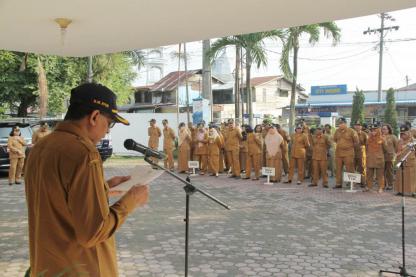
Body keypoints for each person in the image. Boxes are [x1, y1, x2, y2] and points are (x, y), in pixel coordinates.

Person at [24, 83, 149, 276]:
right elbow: (93, 232)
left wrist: (103, 189)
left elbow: (57, 198)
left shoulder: (41, 147)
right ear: (94, 117)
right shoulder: (84, 152)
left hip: (47, 264)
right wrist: (131, 200)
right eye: (109, 124)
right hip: (81, 267)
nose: (107, 131)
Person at [333, 117, 358, 189]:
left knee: (350, 169)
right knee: (338, 169)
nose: (340, 125)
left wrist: (349, 147)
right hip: (339, 153)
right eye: (339, 124)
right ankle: (338, 183)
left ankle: (352, 183)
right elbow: (335, 140)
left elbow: (356, 142)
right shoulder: (337, 131)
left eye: (341, 123)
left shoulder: (351, 131)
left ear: (345, 124)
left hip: (348, 153)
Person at [364, 124, 387, 193]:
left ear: (378, 130)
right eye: (372, 130)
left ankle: (380, 187)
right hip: (370, 159)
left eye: (375, 130)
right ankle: (368, 187)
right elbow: (366, 149)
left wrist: (379, 155)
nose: (373, 132)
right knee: (369, 174)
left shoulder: (382, 139)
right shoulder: (368, 139)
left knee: (380, 175)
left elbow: (385, 149)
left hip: (379, 160)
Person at [394, 125, 416, 197]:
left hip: (410, 161)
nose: (403, 135)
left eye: (404, 133)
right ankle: (400, 191)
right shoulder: (399, 141)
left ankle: (413, 192)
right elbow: (396, 150)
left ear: (408, 133)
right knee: (400, 177)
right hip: (401, 161)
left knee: (411, 178)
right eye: (401, 133)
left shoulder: (413, 141)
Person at [381, 124, 398, 190]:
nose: (383, 130)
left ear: (389, 130)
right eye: (382, 129)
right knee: (381, 172)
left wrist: (395, 154)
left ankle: (390, 185)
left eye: (385, 129)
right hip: (381, 157)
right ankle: (383, 184)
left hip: (390, 157)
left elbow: (396, 147)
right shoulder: (380, 136)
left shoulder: (393, 137)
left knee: (389, 171)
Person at [353, 121, 367, 187]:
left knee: (362, 168)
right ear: (354, 126)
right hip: (352, 153)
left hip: (361, 153)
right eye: (356, 125)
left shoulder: (364, 134)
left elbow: (367, 144)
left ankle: (363, 182)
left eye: (359, 125)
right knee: (352, 168)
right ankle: (353, 182)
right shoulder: (351, 133)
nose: (358, 126)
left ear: (361, 127)